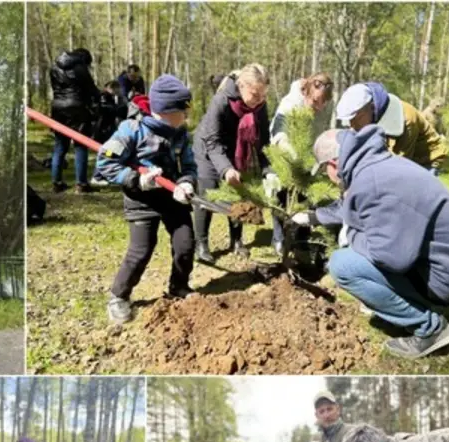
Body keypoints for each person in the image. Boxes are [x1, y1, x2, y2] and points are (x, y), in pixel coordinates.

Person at [295, 127, 449, 359]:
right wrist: (313, 217)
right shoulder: (375, 164)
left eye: (324, 171)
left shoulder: (372, 181)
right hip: (448, 265)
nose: (326, 178)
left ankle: (430, 329)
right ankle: (398, 301)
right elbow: (352, 206)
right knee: (354, 251)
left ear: (333, 164)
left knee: (342, 265)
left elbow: (391, 259)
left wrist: (351, 235)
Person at [97, 74, 198, 325]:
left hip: (172, 196)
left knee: (185, 244)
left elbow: (189, 164)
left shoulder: (180, 133)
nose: (186, 117)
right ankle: (118, 296)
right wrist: (136, 180)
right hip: (141, 199)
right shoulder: (131, 130)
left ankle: (179, 286)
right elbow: (105, 163)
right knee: (141, 250)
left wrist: (186, 182)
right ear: (164, 111)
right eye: (182, 111)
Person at [192, 64, 278, 264]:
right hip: (208, 148)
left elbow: (263, 140)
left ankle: (237, 240)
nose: (260, 100)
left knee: (238, 193)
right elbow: (212, 140)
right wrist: (225, 168)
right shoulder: (221, 100)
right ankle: (201, 243)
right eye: (256, 94)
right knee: (207, 192)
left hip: (237, 150)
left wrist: (269, 170)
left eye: (263, 95)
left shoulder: (260, 104)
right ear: (242, 86)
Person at [268, 73, 334, 255]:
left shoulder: (326, 106)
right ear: (306, 93)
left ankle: (301, 241)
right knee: (281, 197)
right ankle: (279, 239)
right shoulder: (291, 102)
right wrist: (293, 158)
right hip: (285, 152)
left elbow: (325, 131)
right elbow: (279, 131)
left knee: (305, 198)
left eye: (324, 103)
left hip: (310, 155)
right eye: (315, 102)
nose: (319, 107)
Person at [334, 82, 447, 174]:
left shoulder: (405, 120)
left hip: (426, 160)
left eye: (356, 119)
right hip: (404, 159)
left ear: (372, 108)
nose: (352, 125)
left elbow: (399, 165)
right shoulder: (370, 115)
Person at [49, 48, 101, 194]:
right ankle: (81, 184)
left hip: (58, 107)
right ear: (84, 58)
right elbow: (91, 89)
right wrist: (97, 98)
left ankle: (56, 182)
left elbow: (56, 89)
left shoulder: (54, 67)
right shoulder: (80, 67)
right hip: (77, 107)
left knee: (60, 145)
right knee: (80, 144)